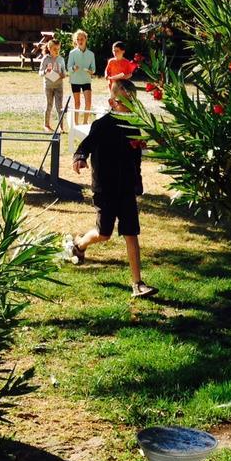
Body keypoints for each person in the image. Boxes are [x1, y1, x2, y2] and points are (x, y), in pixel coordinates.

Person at [66, 79, 156, 298]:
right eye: (123, 101)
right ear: (112, 102)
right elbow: (84, 146)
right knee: (104, 233)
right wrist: (79, 158)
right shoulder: (103, 124)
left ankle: (138, 284)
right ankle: (79, 244)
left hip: (126, 187)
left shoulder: (134, 126)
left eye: (132, 101)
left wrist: (138, 180)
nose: (128, 105)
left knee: (131, 233)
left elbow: (136, 159)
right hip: (105, 188)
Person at [66, 29, 96, 124]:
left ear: (86, 39)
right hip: (75, 81)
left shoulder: (91, 54)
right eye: (78, 39)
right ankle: (76, 123)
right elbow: (68, 69)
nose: (80, 41)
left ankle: (85, 122)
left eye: (82, 39)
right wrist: (74, 68)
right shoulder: (72, 53)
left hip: (86, 80)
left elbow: (94, 69)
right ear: (76, 41)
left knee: (88, 102)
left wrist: (91, 71)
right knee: (77, 103)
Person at [38, 39, 67, 132]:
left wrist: (63, 75)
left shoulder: (61, 59)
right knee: (49, 105)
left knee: (60, 107)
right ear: (49, 48)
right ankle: (46, 125)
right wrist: (46, 71)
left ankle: (61, 127)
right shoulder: (45, 59)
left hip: (59, 86)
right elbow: (40, 72)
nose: (57, 51)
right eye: (55, 49)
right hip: (48, 86)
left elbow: (64, 72)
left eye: (58, 49)